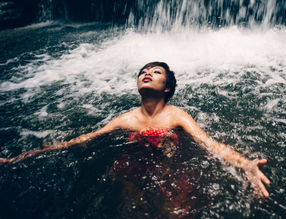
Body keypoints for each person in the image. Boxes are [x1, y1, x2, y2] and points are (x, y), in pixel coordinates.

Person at [0, 61, 270, 197]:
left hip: (170, 170)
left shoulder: (177, 115)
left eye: (156, 72)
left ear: (167, 88)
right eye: (143, 71)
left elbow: (209, 144)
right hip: (130, 168)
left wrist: (245, 164)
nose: (147, 73)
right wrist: (25, 156)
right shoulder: (125, 119)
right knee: (130, 214)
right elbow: (79, 140)